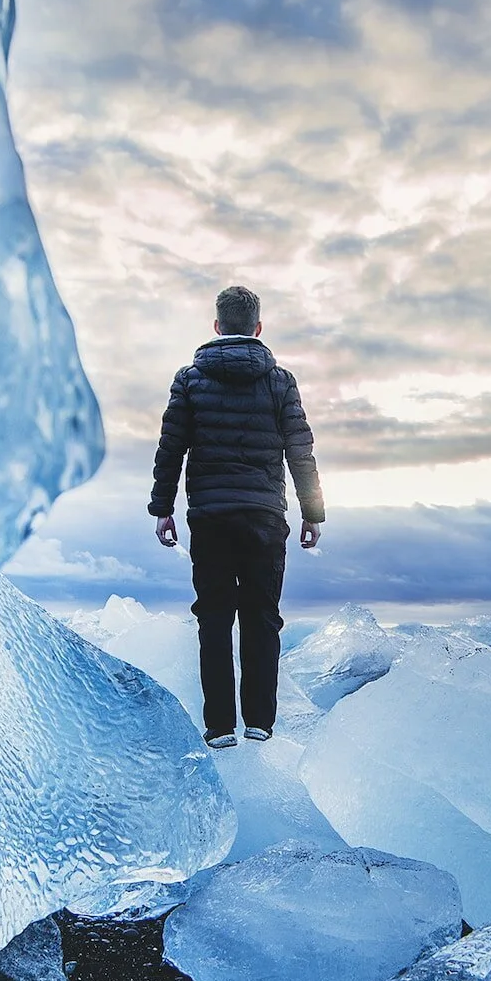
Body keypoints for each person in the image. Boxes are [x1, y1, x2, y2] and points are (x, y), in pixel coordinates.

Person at [149, 284, 324, 747]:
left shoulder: (190, 379)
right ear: (258, 328)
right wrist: (313, 513)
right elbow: (299, 451)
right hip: (265, 517)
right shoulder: (281, 381)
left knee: (214, 618)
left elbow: (171, 449)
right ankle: (260, 722)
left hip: (209, 516)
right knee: (262, 617)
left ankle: (220, 727)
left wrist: (162, 508)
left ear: (217, 326)